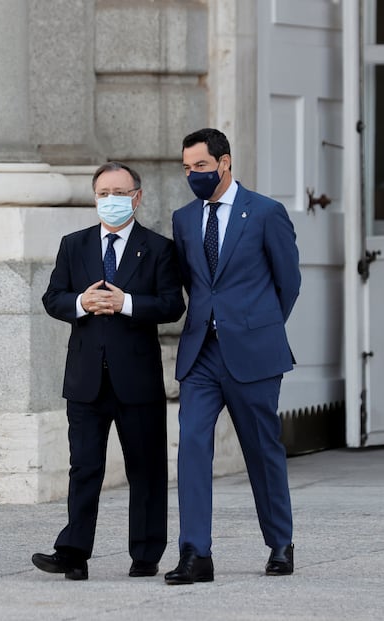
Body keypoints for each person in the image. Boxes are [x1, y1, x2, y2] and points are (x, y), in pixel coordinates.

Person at [32, 161, 185, 581]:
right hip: (85, 379)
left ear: (137, 196)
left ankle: (146, 552)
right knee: (84, 467)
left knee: (146, 469)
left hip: (136, 381)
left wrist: (127, 303)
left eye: (119, 193)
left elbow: (173, 304)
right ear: (94, 196)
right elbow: (53, 297)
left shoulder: (158, 248)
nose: (111, 200)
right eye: (103, 193)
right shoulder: (74, 245)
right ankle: (74, 553)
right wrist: (81, 303)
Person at [164, 128, 301, 585]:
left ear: (224, 162)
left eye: (200, 166)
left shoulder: (265, 212)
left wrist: (255, 326)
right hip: (201, 354)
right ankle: (195, 553)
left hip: (252, 354)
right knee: (192, 448)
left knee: (262, 451)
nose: (193, 175)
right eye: (186, 169)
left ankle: (280, 543)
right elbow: (192, 281)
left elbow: (288, 283)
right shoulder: (183, 219)